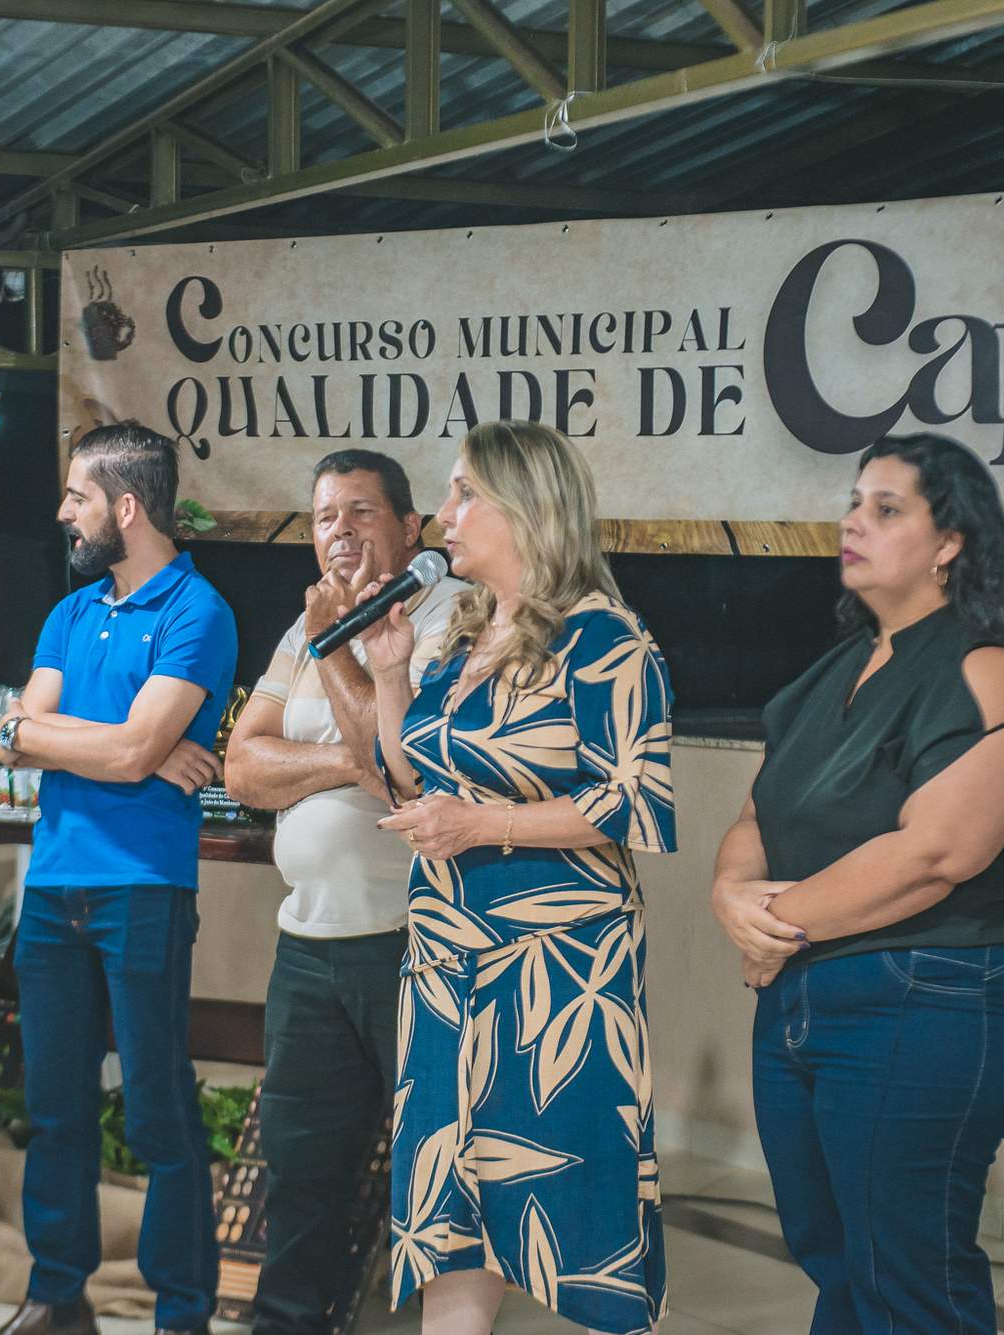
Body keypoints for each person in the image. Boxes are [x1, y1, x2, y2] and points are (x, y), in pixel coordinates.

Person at [712, 433, 1004, 1334]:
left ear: (950, 541)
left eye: (886, 508)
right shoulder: (833, 671)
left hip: (926, 995)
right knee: (838, 1266)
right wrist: (729, 894)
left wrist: (775, 922)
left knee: (906, 1281)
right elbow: (760, 813)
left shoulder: (984, 662)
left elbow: (939, 852)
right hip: (802, 997)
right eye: (853, 503)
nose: (854, 522)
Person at [362, 420, 675, 1335]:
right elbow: (414, 778)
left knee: (577, 1207)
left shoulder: (605, 639)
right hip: (445, 968)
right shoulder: (462, 634)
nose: (443, 515)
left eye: (464, 493)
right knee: (450, 1219)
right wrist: (389, 677)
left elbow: (631, 799)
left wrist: (482, 824)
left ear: (527, 506)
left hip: (557, 974)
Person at [0, 422, 238, 1335]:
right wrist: (137, 746)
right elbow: (11, 736)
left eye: (76, 496)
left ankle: (182, 1313)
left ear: (126, 507)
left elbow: (91, 743)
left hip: (143, 888)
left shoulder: (197, 611)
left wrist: (117, 746)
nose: (63, 512)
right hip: (53, 887)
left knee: (158, 1111)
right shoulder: (70, 612)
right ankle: (58, 1297)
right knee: (55, 1109)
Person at [224, 449, 466, 1335]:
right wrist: (339, 762)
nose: (341, 532)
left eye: (362, 512)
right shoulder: (305, 625)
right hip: (309, 947)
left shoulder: (445, 613)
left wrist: (335, 646)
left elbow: (399, 762)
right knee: (299, 1175)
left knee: (436, 1173)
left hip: (411, 943)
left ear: (410, 527)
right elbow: (243, 767)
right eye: (326, 516)